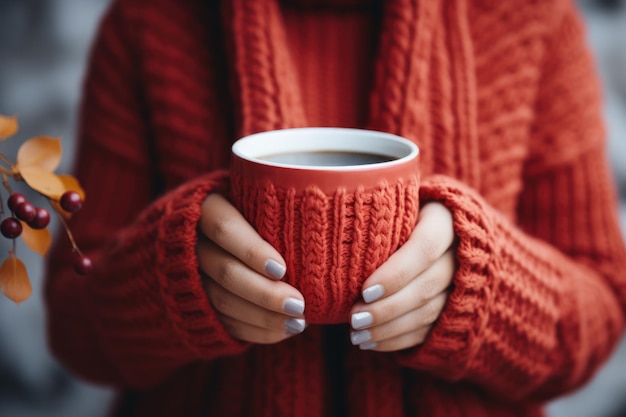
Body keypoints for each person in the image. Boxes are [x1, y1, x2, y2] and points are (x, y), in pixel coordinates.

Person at [44, 0, 626, 416]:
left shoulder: (533, 21)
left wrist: (484, 287)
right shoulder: (149, 24)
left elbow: (601, 307)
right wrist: (168, 279)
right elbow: (73, 321)